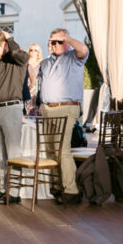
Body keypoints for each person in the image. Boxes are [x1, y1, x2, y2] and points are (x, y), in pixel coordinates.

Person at [38, 28, 89, 205]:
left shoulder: (74, 57)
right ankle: (57, 186)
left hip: (66, 108)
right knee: (51, 150)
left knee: (62, 149)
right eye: (53, 42)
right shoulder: (47, 62)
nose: (57, 45)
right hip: (47, 109)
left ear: (66, 41)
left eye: (60, 41)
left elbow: (83, 49)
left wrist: (66, 37)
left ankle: (71, 190)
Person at [0, 30, 29, 204]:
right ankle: (3, 190)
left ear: (4, 45)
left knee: (13, 152)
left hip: (11, 108)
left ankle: (14, 193)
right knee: (0, 155)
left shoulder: (18, 59)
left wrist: (9, 38)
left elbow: (21, 56)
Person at [25, 43, 43, 108]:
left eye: (35, 50)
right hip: (27, 89)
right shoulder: (25, 64)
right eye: (31, 50)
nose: (33, 52)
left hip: (37, 91)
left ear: (38, 52)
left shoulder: (41, 64)